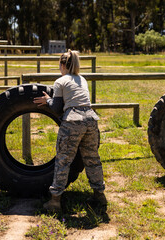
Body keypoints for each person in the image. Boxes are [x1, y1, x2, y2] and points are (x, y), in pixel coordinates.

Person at [33, 50, 107, 211]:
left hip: (73, 121)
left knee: (63, 160)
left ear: (62, 65)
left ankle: (54, 201)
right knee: (92, 159)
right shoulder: (82, 79)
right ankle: (99, 195)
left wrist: (48, 100)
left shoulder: (60, 81)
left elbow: (57, 108)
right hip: (91, 120)